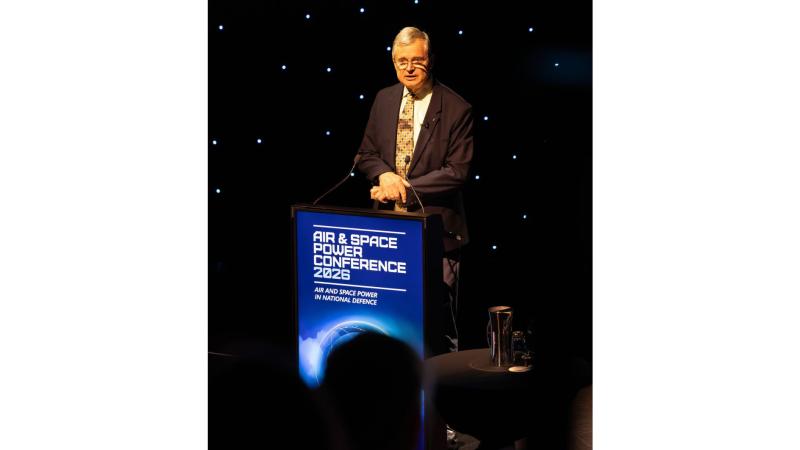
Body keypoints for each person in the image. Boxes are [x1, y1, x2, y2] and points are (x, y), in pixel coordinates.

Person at [357, 26, 474, 353]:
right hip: (387, 229)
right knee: (389, 318)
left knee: (437, 324)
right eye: (401, 61)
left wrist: (404, 187)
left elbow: (457, 171)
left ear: (431, 60)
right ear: (393, 62)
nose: (409, 68)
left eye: (417, 61)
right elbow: (366, 155)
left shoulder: (456, 108)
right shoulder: (383, 99)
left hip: (436, 231)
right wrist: (384, 175)